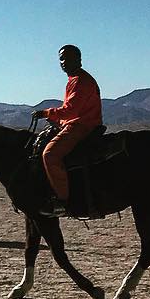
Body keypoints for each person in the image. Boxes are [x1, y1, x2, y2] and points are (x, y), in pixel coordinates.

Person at [35, 45, 102, 212]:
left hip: (82, 125)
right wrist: (55, 119)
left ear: (78, 59)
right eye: (61, 59)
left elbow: (72, 110)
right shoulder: (74, 80)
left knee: (50, 155)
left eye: (67, 58)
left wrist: (46, 113)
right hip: (75, 123)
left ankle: (62, 201)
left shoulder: (81, 81)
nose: (63, 62)